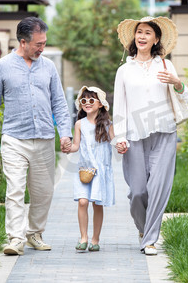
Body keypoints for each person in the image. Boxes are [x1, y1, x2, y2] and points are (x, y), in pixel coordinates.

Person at [0, 17, 72, 255]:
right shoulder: (2, 66)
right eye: (38, 44)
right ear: (23, 41)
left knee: (43, 192)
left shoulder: (49, 67)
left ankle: (34, 233)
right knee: (15, 190)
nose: (42, 48)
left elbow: (60, 104)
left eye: (44, 43)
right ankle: (15, 239)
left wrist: (65, 134)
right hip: (14, 140)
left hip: (44, 139)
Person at [113, 16, 188, 255]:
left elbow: (183, 95)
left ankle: (149, 240)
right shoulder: (124, 70)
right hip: (134, 136)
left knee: (158, 187)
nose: (142, 36)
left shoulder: (166, 66)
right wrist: (120, 136)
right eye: (139, 32)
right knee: (138, 192)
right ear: (133, 38)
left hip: (165, 132)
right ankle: (143, 227)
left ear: (156, 38)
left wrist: (177, 83)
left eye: (148, 32)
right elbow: (120, 105)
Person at [67, 86, 116, 252]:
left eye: (91, 100)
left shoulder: (107, 124)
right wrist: (68, 147)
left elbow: (114, 142)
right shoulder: (79, 124)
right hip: (85, 170)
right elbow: (75, 145)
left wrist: (122, 145)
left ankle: (95, 239)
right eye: (83, 100)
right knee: (82, 201)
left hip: (101, 171)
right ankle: (83, 237)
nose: (87, 103)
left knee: (96, 204)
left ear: (100, 104)